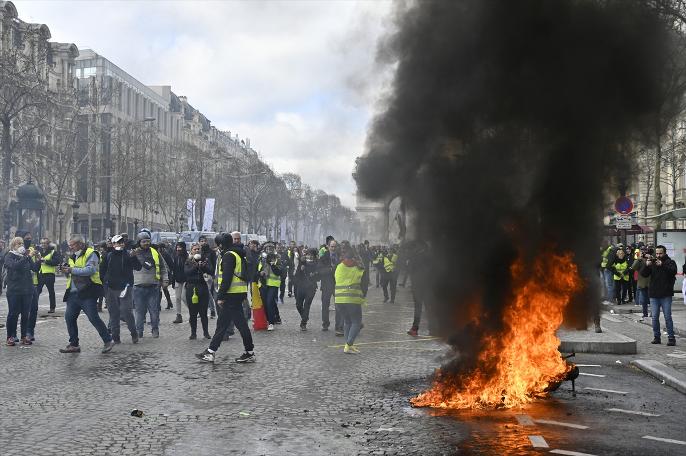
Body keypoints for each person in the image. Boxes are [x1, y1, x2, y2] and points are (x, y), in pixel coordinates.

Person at [196, 233, 255, 363]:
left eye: (218, 245)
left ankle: (212, 352)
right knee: (232, 324)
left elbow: (227, 278)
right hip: (237, 293)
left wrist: (221, 296)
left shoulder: (229, 256)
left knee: (227, 324)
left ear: (222, 244)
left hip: (231, 294)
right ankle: (247, 351)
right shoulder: (236, 254)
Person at [59, 234, 115, 353]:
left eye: (72, 245)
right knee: (69, 318)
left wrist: (71, 270)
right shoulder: (72, 256)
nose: (71, 248)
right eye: (70, 245)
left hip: (88, 291)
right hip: (73, 292)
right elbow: (70, 273)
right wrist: (65, 270)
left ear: (80, 244)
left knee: (93, 317)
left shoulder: (91, 253)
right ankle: (74, 344)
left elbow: (91, 270)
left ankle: (108, 340)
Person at [100, 234, 139, 344]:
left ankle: (134, 333)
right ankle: (116, 337)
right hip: (111, 288)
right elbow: (102, 271)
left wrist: (133, 257)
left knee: (127, 311)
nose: (120, 244)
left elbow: (138, 267)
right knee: (113, 313)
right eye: (118, 242)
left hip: (125, 288)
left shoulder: (128, 255)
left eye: (122, 242)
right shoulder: (108, 256)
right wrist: (105, 284)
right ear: (113, 244)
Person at [131, 231, 168, 338]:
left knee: (154, 311)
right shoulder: (134, 253)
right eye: (144, 241)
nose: (146, 243)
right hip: (138, 287)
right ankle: (139, 331)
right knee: (139, 312)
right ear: (139, 242)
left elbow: (163, 267)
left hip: (153, 286)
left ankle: (155, 329)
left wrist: (165, 279)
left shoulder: (155, 252)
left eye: (148, 241)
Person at [4, 236, 39, 346]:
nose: (21, 245)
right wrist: (28, 256)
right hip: (14, 290)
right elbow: (15, 266)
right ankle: (10, 336)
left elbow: (34, 268)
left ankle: (24, 336)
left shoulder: (25, 256)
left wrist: (38, 259)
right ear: (13, 246)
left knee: (25, 314)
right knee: (13, 314)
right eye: (18, 244)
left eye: (22, 243)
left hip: (27, 290)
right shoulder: (9, 256)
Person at [641, 245, 677, 346]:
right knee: (654, 317)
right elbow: (644, 274)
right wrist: (646, 265)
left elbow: (673, 271)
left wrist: (663, 265)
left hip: (666, 294)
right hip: (654, 295)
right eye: (657, 253)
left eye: (660, 253)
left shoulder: (670, 262)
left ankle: (671, 338)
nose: (658, 255)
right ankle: (657, 337)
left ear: (665, 253)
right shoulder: (652, 262)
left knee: (667, 317)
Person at [334, 247, 368, 353]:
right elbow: (364, 284)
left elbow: (334, 279)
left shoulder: (339, 266)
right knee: (356, 322)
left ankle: (349, 345)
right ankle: (348, 344)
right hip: (353, 299)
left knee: (347, 322)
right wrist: (363, 296)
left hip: (339, 299)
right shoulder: (358, 268)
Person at [184, 243, 213, 339]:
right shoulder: (188, 261)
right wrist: (196, 266)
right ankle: (193, 333)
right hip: (191, 287)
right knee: (192, 312)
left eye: (198, 249)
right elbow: (187, 273)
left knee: (203, 312)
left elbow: (211, 271)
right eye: (195, 249)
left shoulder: (205, 259)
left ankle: (206, 332)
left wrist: (203, 267)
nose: (197, 251)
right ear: (191, 250)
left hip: (202, 287)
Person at [407, 241, 430, 336]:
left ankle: (415, 329)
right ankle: (433, 328)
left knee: (418, 307)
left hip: (418, 285)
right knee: (428, 307)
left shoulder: (416, 257)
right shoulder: (428, 256)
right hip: (427, 284)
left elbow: (410, 270)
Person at [257, 242, 282, 331]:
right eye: (267, 249)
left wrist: (272, 264)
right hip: (263, 283)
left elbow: (279, 272)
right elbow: (257, 269)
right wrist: (260, 273)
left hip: (273, 284)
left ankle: (271, 322)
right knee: (264, 303)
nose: (268, 251)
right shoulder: (261, 258)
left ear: (273, 249)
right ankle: (268, 320)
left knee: (269, 302)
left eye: (270, 249)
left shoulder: (277, 258)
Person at [319, 239, 341, 333]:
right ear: (328, 247)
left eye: (335, 246)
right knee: (325, 305)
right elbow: (320, 271)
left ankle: (338, 325)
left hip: (338, 284)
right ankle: (325, 324)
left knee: (339, 306)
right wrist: (331, 269)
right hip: (326, 284)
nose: (333, 248)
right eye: (331, 246)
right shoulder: (323, 257)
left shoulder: (340, 257)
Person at [295, 248, 319, 331]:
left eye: (312, 255)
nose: (310, 256)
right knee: (298, 305)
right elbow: (297, 275)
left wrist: (314, 274)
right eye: (309, 254)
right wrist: (300, 269)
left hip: (311, 287)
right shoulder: (302, 262)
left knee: (307, 305)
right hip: (301, 286)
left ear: (315, 256)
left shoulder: (317, 264)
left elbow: (319, 277)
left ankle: (303, 323)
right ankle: (305, 317)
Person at [37, 237, 61, 314]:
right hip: (41, 273)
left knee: (51, 292)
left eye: (45, 243)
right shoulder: (39, 251)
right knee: (37, 291)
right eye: (42, 243)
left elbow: (56, 261)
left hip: (49, 274)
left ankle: (52, 308)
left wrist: (46, 261)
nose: (43, 245)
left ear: (48, 244)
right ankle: (34, 307)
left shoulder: (53, 252)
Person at [198, 235, 217, 318]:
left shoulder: (211, 252)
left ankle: (212, 310)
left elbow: (214, 263)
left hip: (208, 274)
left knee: (208, 293)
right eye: (201, 241)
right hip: (200, 274)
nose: (203, 242)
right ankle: (201, 310)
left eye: (204, 241)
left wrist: (213, 274)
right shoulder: (198, 251)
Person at [171, 241, 188, 324]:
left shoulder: (187, 257)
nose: (178, 249)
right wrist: (173, 281)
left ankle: (193, 311)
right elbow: (174, 269)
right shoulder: (176, 257)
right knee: (177, 298)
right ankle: (178, 315)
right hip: (177, 280)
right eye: (177, 247)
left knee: (184, 297)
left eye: (180, 247)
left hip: (186, 280)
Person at [633, 247, 651, 319]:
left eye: (645, 251)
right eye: (642, 251)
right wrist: (638, 259)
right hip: (642, 283)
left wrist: (650, 258)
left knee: (652, 300)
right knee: (644, 300)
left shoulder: (650, 257)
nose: (644, 252)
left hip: (651, 282)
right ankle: (645, 314)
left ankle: (653, 313)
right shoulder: (639, 260)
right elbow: (633, 267)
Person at [158, 242, 175, 310]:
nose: (158, 249)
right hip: (158, 273)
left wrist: (170, 272)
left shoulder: (166, 254)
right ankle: (159, 304)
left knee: (164, 289)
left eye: (159, 248)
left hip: (165, 273)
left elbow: (171, 264)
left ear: (162, 248)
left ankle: (168, 302)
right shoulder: (158, 254)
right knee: (159, 289)